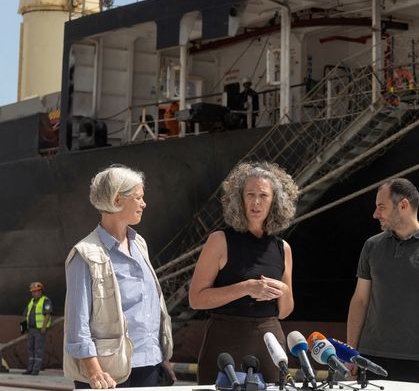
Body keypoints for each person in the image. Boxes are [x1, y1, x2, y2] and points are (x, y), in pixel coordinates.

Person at [63, 165, 174, 389]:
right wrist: (95, 373)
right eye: (139, 197)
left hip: (149, 365)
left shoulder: (139, 243)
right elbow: (77, 323)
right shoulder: (84, 255)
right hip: (108, 374)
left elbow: (148, 306)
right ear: (117, 200)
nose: (144, 204)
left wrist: (162, 356)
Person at [189, 162, 298, 385]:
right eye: (250, 194)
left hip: (270, 342)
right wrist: (247, 287)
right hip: (225, 339)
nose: (256, 202)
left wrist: (283, 290)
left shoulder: (283, 248)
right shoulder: (219, 241)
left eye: (263, 195)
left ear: (275, 201)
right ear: (240, 199)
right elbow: (196, 299)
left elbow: (285, 311)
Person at [347, 178, 419, 383]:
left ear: (403, 205)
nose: (375, 214)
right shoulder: (371, 246)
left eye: (381, 207)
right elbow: (360, 300)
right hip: (370, 356)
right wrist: (351, 351)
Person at [23, 281, 52, 375]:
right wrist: (23, 329)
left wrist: (44, 327)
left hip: (39, 330)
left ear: (41, 291)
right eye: (34, 291)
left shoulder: (45, 300)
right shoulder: (31, 302)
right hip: (31, 329)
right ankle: (29, 369)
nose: (36, 293)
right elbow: (26, 315)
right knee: (30, 349)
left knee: (38, 349)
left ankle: (35, 370)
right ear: (31, 292)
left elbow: (47, 314)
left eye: (38, 291)